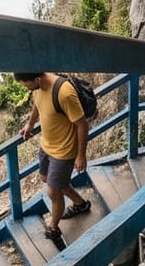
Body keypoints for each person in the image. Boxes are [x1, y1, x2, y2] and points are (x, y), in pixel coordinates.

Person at [13, 70, 92, 249]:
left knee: (53, 192)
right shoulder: (38, 86)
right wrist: (30, 123)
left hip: (63, 151)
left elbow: (82, 124)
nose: (27, 89)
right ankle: (80, 204)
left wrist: (81, 155)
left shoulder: (64, 92)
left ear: (38, 79)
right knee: (49, 180)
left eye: (27, 85)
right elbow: (37, 103)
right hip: (47, 145)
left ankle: (54, 228)